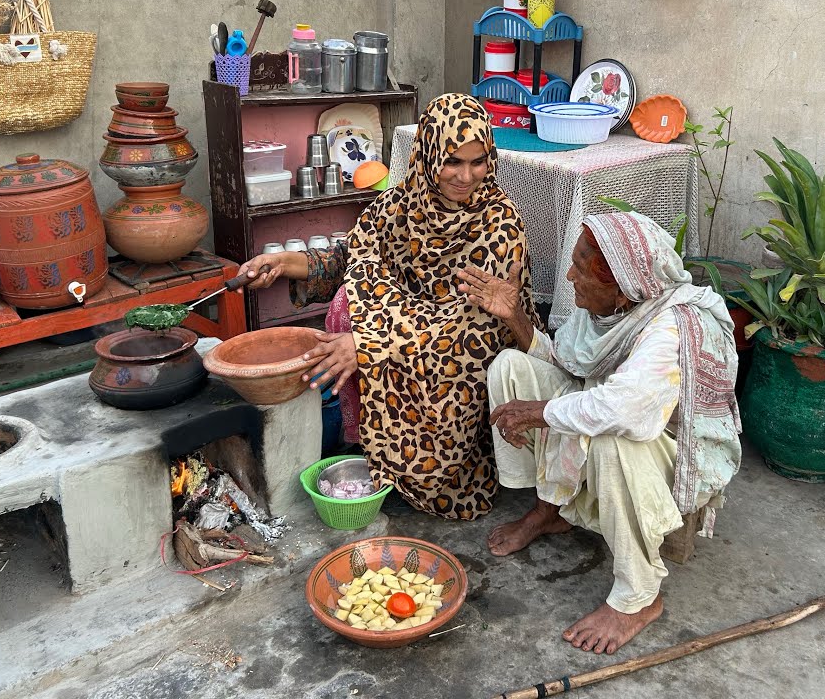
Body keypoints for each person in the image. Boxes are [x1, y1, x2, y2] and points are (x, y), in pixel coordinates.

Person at [236, 93, 540, 520]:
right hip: (408, 329)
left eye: (478, 161)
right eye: (453, 161)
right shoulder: (400, 206)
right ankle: (372, 448)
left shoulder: (499, 223)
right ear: (428, 154)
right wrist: (284, 262)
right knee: (349, 300)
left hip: (464, 345)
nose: (466, 176)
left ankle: (425, 471)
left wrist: (370, 345)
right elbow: (352, 257)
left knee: (389, 341)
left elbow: (470, 322)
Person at [457, 210, 742, 655]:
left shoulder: (673, 326)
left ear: (620, 286)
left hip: (668, 450)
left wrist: (540, 413)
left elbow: (626, 410)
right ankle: (548, 510)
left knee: (611, 438)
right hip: (623, 421)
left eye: (579, 269)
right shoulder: (609, 311)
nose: (569, 276)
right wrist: (515, 317)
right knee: (510, 367)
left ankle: (638, 598)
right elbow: (567, 366)